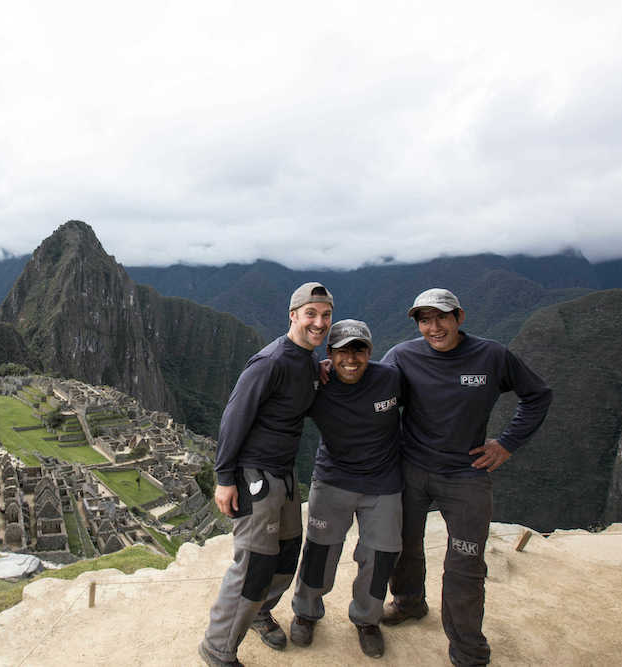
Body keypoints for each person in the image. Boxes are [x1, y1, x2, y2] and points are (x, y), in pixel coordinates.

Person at [380, 288, 552, 666]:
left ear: (459, 317)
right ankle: (408, 603)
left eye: (441, 317)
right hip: (412, 468)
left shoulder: (491, 356)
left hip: (466, 474)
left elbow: (537, 394)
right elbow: (371, 396)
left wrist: (506, 444)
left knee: (465, 564)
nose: (434, 327)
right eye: (425, 319)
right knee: (402, 546)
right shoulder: (403, 357)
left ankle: (468, 650)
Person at [199, 282, 334, 667]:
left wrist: (327, 368)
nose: (319, 322)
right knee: (254, 566)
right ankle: (218, 647)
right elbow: (233, 419)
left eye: (325, 315)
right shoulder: (270, 362)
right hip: (255, 476)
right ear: (293, 315)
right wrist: (224, 479)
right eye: (311, 314)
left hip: (285, 476)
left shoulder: (307, 361)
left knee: (287, 556)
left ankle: (258, 611)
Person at [289, 319, 403, 659]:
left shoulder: (391, 379)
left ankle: (367, 619)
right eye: (342, 352)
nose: (350, 359)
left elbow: (427, 413)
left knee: (380, 556)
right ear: (330, 354)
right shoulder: (316, 385)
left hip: (383, 482)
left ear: (370, 352)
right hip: (333, 480)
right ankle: (306, 612)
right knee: (320, 551)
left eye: (359, 350)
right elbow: (277, 415)